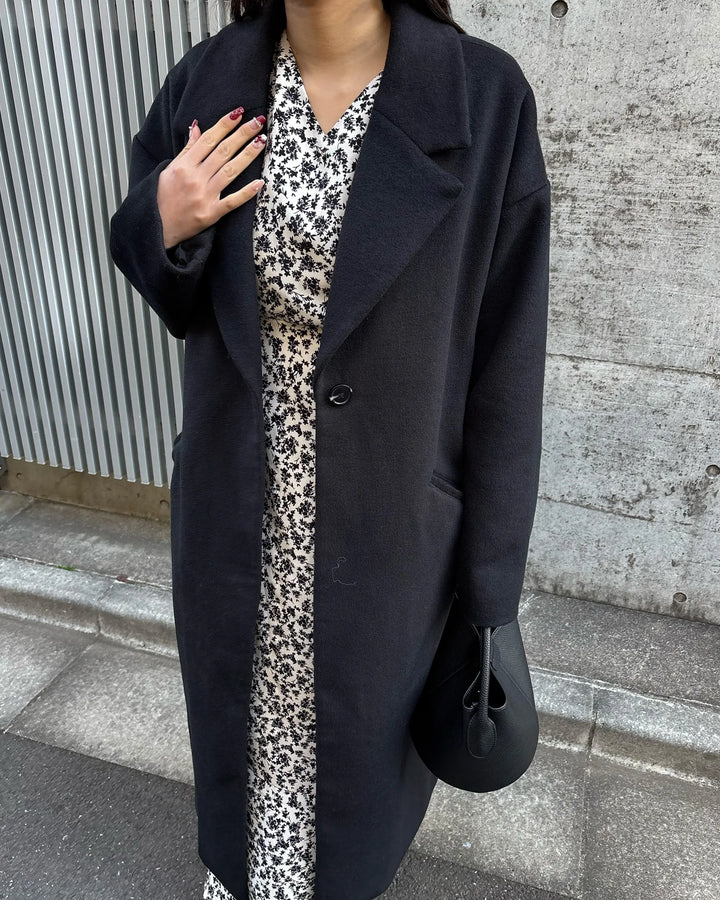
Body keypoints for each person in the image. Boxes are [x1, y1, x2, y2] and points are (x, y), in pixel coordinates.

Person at [108, 0, 551, 897]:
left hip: (388, 533)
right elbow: (167, 285)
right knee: (245, 769)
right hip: (239, 520)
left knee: (354, 794)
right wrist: (160, 220)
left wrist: (490, 584)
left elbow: (508, 361)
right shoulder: (208, 83)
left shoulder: (480, 96)